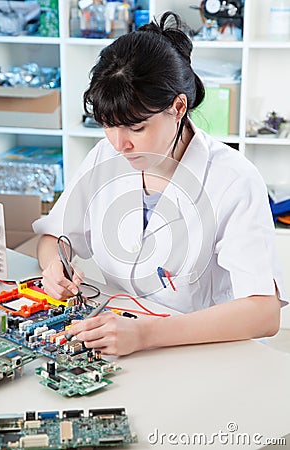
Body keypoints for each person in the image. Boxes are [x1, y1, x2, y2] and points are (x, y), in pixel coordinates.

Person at [33, 11, 286, 356]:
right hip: (121, 343)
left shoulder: (233, 179)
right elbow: (53, 237)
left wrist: (146, 334)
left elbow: (263, 313)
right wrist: (54, 268)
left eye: (136, 128)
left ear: (178, 107)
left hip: (207, 353)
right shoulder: (104, 158)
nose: (119, 143)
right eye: (108, 125)